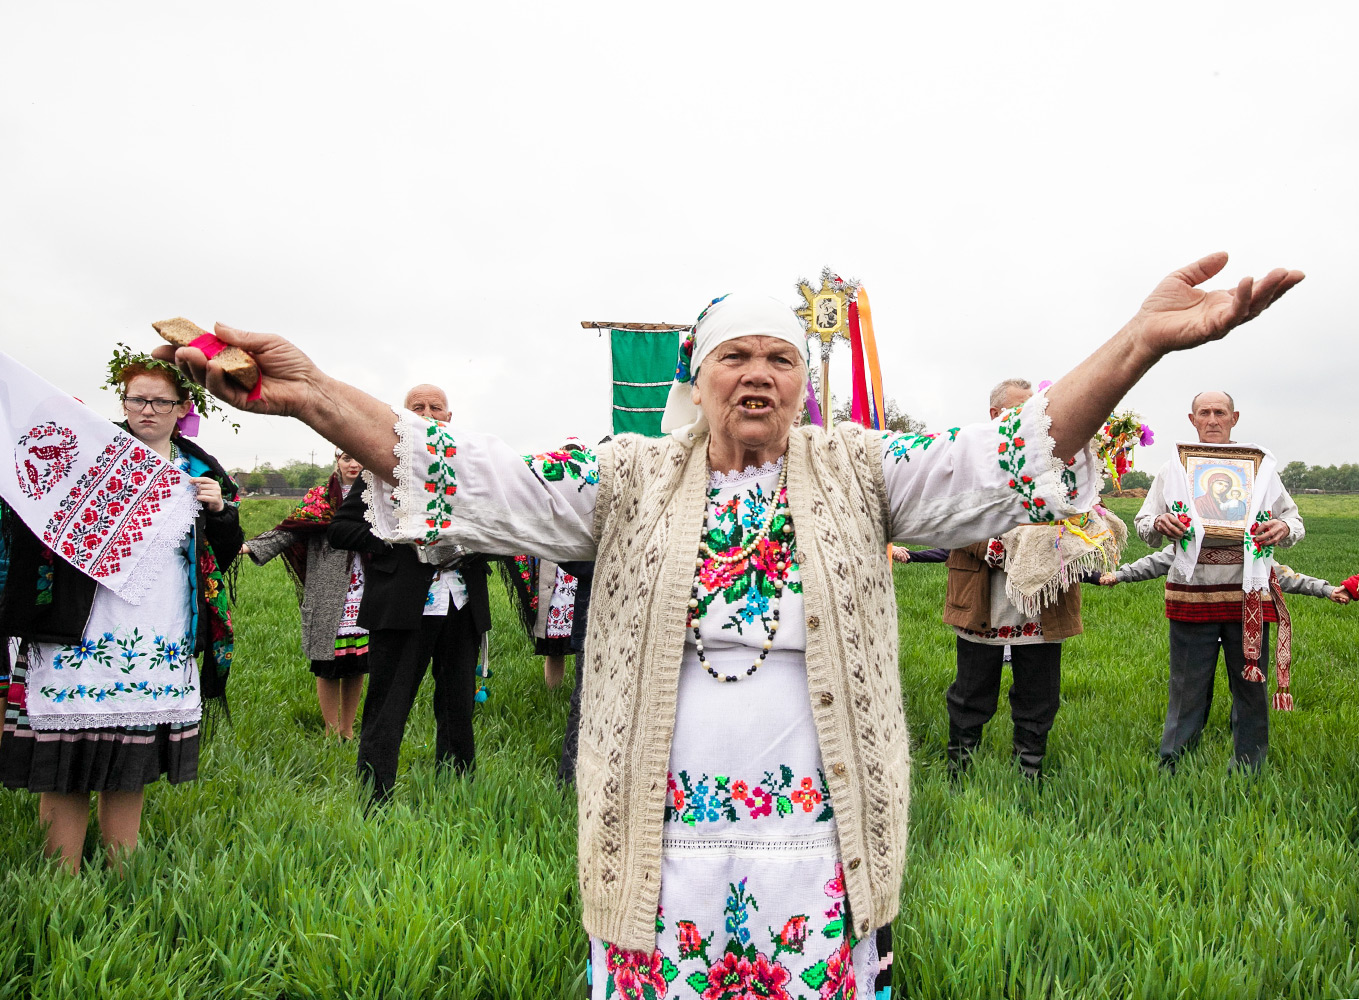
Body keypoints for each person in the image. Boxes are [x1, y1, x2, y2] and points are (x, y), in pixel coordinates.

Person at [158, 253, 1302, 995]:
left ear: (806, 382)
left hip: (821, 841)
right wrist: (313, 395)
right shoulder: (627, 477)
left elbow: (1006, 455)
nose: (757, 375)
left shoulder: (861, 469)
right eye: (735, 358)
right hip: (660, 844)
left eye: (779, 358)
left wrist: (1140, 342)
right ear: (697, 380)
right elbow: (464, 470)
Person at [0, 357, 241, 871]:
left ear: (182, 408)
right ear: (124, 403)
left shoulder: (200, 470)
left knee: (131, 763)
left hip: (159, 633)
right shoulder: (94, 452)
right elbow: (33, 504)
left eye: (160, 401)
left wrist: (220, 511)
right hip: (78, 630)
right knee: (65, 761)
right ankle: (59, 879)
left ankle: (121, 873)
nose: (147, 410)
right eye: (137, 400)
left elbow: (220, 555)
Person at [326, 384, 492, 807]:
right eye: (418, 407)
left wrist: (474, 544)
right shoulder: (383, 470)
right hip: (403, 607)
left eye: (437, 407)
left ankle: (456, 790)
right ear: (403, 417)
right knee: (389, 703)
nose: (428, 413)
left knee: (457, 705)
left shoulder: (470, 469)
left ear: (449, 418)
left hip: (460, 604)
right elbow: (341, 529)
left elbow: (497, 527)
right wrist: (398, 541)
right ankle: (374, 797)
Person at [941, 379, 1105, 778]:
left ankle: (1028, 771)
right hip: (985, 596)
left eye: (1035, 410)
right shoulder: (968, 461)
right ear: (995, 415)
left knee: (1039, 692)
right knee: (971, 691)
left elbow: (1079, 513)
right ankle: (960, 769)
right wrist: (994, 548)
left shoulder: (1056, 463)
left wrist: (1071, 537)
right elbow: (948, 518)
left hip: (1040, 601)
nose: (1029, 417)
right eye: (1019, 409)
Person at [1133, 389, 1303, 771]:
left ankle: (1249, 768)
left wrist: (1282, 527)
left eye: (1220, 412)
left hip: (1248, 596)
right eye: (1205, 412)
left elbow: (1294, 520)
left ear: (1234, 418)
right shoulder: (1173, 471)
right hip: (1192, 594)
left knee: (1250, 687)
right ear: (1192, 419)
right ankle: (1174, 766)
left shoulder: (1259, 470)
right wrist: (1159, 522)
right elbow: (1144, 523)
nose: (1212, 419)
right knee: (1187, 687)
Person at [241, 449, 370, 738]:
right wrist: (250, 546)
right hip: (326, 590)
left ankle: (348, 730)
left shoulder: (376, 496)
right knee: (327, 664)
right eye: (347, 458)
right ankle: (330, 731)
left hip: (364, 589)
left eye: (358, 457)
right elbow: (290, 530)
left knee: (356, 664)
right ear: (337, 460)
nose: (354, 464)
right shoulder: (319, 497)